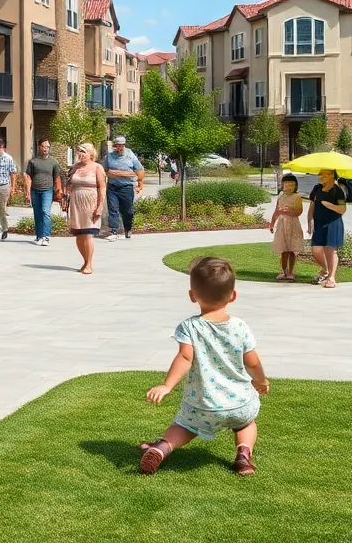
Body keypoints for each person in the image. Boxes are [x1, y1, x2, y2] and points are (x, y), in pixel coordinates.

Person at [139, 256, 270, 476]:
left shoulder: (189, 327)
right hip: (239, 403)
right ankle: (243, 456)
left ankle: (162, 447)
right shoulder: (240, 327)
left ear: (192, 296)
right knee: (246, 423)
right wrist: (261, 380)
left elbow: (184, 358)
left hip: (203, 405)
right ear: (233, 296)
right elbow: (253, 361)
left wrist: (166, 386)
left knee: (185, 426)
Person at [66, 142, 107, 274]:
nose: (81, 154)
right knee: (79, 234)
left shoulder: (97, 167)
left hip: (91, 203)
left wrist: (100, 207)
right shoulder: (75, 167)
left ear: (91, 153)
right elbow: (69, 184)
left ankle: (89, 264)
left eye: (83, 151)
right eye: (79, 151)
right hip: (76, 203)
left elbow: (102, 188)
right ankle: (84, 261)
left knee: (88, 234)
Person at [307, 169, 346, 288]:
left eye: (325, 175)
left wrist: (329, 205)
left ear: (332, 176)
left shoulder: (338, 191)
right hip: (319, 224)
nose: (321, 177)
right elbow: (312, 205)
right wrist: (309, 220)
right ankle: (325, 270)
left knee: (330, 250)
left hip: (333, 223)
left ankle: (331, 277)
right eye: (321, 174)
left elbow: (342, 210)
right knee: (316, 250)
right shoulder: (317, 189)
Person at [103, 135, 144, 240]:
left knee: (128, 211)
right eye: (117, 146)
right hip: (112, 187)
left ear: (124, 145)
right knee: (113, 209)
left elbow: (139, 171)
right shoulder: (109, 157)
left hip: (126, 187)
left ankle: (128, 228)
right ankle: (114, 231)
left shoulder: (130, 156)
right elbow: (105, 171)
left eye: (121, 146)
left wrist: (140, 184)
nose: (119, 148)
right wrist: (113, 174)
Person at [25, 139, 64, 246]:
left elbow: (57, 177)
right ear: (39, 147)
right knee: (37, 214)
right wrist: (28, 192)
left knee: (45, 212)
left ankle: (46, 237)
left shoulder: (53, 162)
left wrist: (59, 190)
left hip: (47, 190)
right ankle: (39, 236)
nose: (45, 148)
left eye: (47, 147)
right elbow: (28, 177)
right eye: (43, 146)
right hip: (35, 190)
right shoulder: (33, 162)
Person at [270, 174, 304, 281]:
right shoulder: (280, 197)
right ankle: (284, 272)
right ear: (283, 185)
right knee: (284, 250)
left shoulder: (297, 197)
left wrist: (287, 212)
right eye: (286, 185)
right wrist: (272, 223)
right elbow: (276, 212)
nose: (288, 187)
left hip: (292, 225)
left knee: (291, 250)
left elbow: (299, 212)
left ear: (295, 186)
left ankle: (291, 272)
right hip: (282, 225)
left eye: (291, 185)